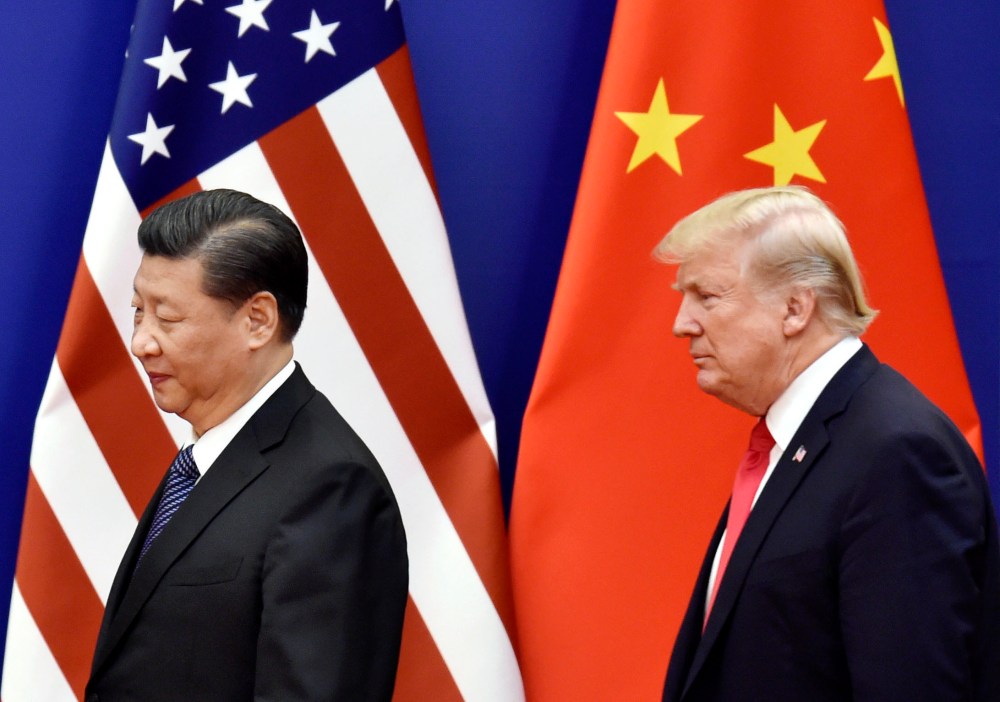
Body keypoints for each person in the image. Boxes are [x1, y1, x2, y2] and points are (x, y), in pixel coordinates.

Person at [656, 186, 1000, 701]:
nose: (681, 324)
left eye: (706, 296)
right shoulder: (804, 438)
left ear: (795, 309)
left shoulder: (895, 452)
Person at [85, 189, 408, 702]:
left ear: (257, 320)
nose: (141, 342)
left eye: (167, 318)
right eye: (138, 311)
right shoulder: (205, 459)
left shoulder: (331, 489)